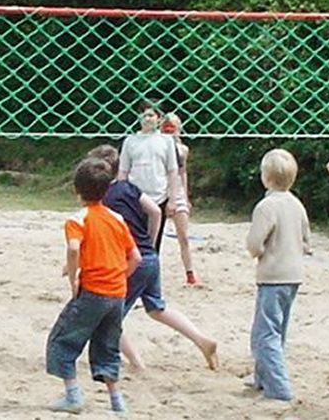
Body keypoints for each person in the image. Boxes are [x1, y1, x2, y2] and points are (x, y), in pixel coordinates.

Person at [88, 145, 218, 373]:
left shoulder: (103, 199)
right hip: (150, 256)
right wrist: (150, 239)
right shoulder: (130, 188)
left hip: (134, 261)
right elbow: (155, 212)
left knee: (107, 317)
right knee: (157, 309)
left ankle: (137, 363)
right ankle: (202, 340)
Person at [46, 157, 141, 414]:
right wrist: (121, 277)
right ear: (107, 189)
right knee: (107, 346)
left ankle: (73, 395)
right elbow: (135, 258)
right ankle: (116, 401)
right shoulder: (117, 219)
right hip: (117, 294)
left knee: (63, 341)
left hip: (93, 291)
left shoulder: (78, 220)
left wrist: (73, 278)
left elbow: (74, 247)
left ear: (76, 190)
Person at [246, 149, 311, 402]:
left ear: (266, 177)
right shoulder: (297, 204)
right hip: (294, 275)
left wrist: (260, 250)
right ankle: (263, 378)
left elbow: (254, 243)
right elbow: (307, 241)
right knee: (277, 329)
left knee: (264, 333)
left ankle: (278, 388)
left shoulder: (266, 206)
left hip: (273, 275)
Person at [117, 100, 179, 254]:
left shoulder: (166, 141)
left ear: (159, 118)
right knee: (132, 242)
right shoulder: (130, 141)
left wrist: (173, 199)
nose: (147, 119)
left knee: (154, 244)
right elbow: (123, 172)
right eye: (144, 115)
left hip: (159, 197)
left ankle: (152, 273)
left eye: (151, 115)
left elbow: (172, 171)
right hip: (134, 198)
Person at [161, 112, 197, 284]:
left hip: (178, 192)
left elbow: (183, 173)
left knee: (183, 236)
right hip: (160, 190)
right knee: (154, 235)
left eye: (173, 127)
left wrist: (185, 195)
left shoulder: (183, 150)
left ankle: (190, 273)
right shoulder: (157, 146)